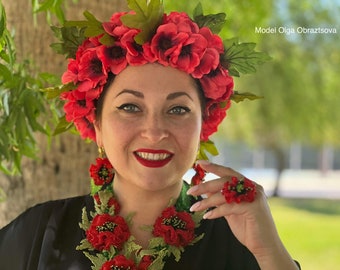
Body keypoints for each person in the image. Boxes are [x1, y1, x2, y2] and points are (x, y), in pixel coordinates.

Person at [0, 1, 300, 269]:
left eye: (178, 110)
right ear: (97, 127)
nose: (155, 132)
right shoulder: (38, 233)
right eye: (130, 107)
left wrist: (269, 250)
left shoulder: (244, 242)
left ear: (204, 125)